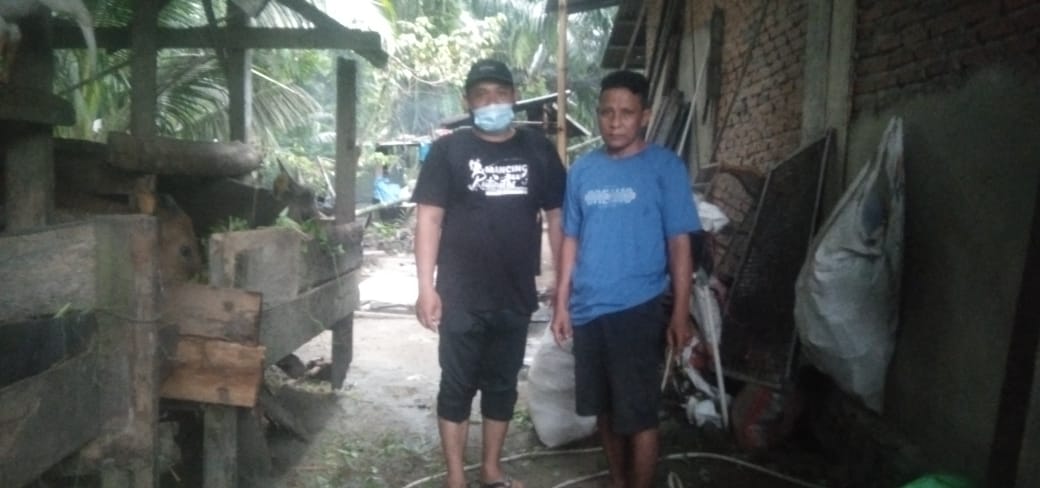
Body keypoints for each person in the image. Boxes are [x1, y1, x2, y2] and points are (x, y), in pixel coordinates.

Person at [411, 58, 566, 488]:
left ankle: (492, 470)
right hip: (459, 294)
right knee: (457, 386)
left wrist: (562, 283)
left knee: (502, 386)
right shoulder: (449, 151)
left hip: (514, 293)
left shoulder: (537, 148)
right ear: (468, 102)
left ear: (514, 97)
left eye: (500, 93)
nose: (492, 102)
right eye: (482, 95)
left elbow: (558, 216)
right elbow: (429, 219)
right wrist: (425, 287)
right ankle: (456, 479)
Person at [551, 70, 701, 488]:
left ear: (645, 116)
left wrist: (681, 312)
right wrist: (562, 303)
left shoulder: (665, 168)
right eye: (606, 112)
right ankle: (619, 481)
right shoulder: (582, 171)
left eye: (627, 113)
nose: (615, 122)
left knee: (638, 414)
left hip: (637, 307)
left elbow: (679, 244)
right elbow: (570, 239)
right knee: (604, 409)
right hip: (587, 309)